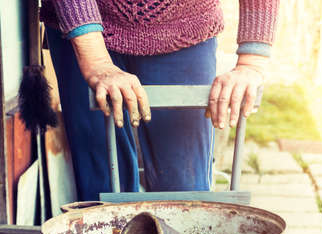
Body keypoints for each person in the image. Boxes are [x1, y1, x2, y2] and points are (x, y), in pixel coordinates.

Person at [40, 0, 279, 202]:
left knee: (186, 191)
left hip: (185, 25)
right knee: (101, 189)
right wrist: (96, 61)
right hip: (79, 25)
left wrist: (252, 62)